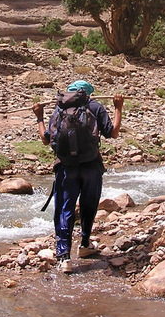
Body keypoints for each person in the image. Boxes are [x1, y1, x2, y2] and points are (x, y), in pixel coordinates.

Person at [32, 80, 123, 274]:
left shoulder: (60, 108)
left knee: (65, 208)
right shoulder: (95, 106)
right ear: (89, 93)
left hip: (66, 168)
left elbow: (45, 139)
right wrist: (118, 108)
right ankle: (84, 244)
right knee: (89, 206)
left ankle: (64, 256)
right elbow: (113, 133)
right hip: (91, 166)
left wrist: (39, 117)